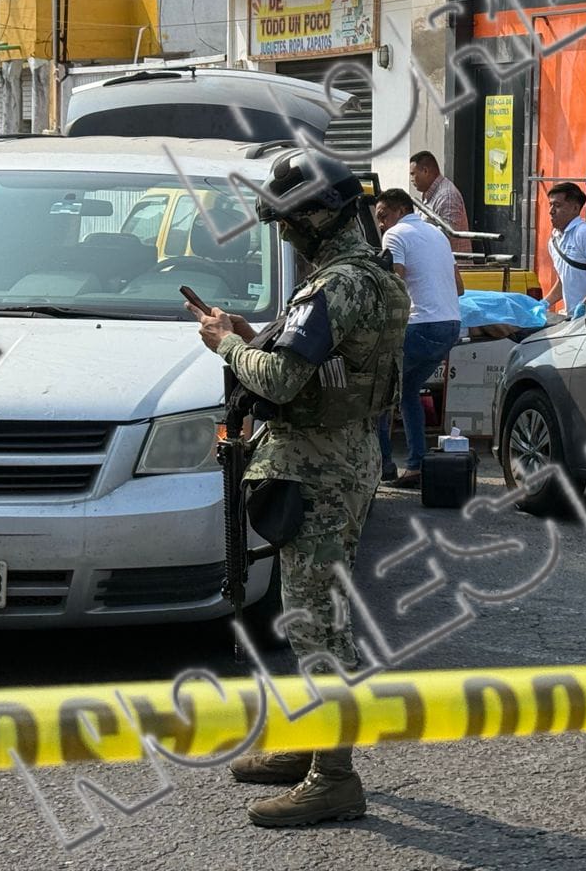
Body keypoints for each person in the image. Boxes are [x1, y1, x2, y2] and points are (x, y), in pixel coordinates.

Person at [189, 149, 409, 828]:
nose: (283, 233)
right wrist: (250, 335)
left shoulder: (335, 286)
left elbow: (281, 383)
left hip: (318, 468)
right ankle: (314, 747)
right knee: (314, 612)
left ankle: (333, 778)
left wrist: (226, 347)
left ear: (317, 217)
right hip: (343, 457)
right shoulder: (366, 276)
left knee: (317, 624)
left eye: (287, 221)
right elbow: (316, 364)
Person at [372, 188, 464, 489]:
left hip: (421, 326)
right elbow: (459, 287)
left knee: (379, 392)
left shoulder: (395, 235)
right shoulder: (438, 234)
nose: (381, 224)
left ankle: (384, 467)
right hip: (450, 326)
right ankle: (415, 466)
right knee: (408, 390)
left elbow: (395, 285)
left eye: (383, 215)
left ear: (400, 210)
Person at [543, 181, 586, 318]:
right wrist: (545, 303)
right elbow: (563, 281)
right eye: (550, 205)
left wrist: (585, 304)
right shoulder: (554, 240)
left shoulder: (584, 233)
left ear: (575, 208)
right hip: (574, 317)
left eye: (557, 205)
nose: (551, 211)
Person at [409, 149, 473, 254]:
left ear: (425, 171)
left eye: (413, 174)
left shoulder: (447, 196)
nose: (411, 179)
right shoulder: (428, 193)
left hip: (451, 262)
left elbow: (446, 236)